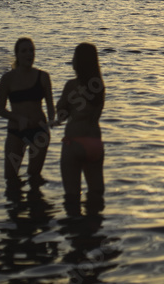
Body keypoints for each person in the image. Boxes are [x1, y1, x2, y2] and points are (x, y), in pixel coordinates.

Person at [53, 43, 105, 215]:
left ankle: (75, 233)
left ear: (78, 62)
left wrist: (60, 106)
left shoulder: (71, 86)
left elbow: (61, 116)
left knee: (72, 197)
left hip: (75, 142)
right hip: (95, 143)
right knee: (96, 195)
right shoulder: (100, 87)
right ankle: (94, 233)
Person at [0, 38, 55, 186]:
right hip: (16, 131)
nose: (29, 54)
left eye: (31, 51)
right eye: (24, 51)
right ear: (17, 54)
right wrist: (17, 117)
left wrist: (51, 122)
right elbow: (1, 110)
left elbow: (50, 107)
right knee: (10, 178)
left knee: (34, 177)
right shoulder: (7, 79)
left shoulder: (43, 76)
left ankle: (36, 205)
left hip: (39, 132)